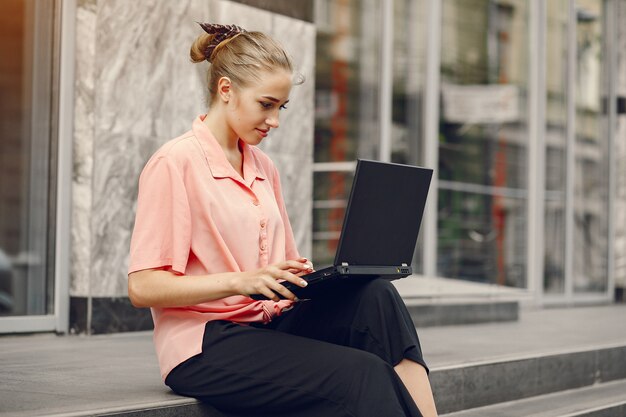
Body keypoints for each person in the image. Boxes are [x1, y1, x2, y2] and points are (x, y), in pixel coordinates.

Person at [127, 22, 438, 417]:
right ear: (226, 91)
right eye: (266, 104)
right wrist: (243, 281)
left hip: (271, 324)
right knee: (362, 374)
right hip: (205, 344)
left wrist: (307, 277)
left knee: (377, 297)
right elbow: (143, 286)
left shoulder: (263, 166)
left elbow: (280, 264)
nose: (275, 120)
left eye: (281, 107)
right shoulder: (175, 163)